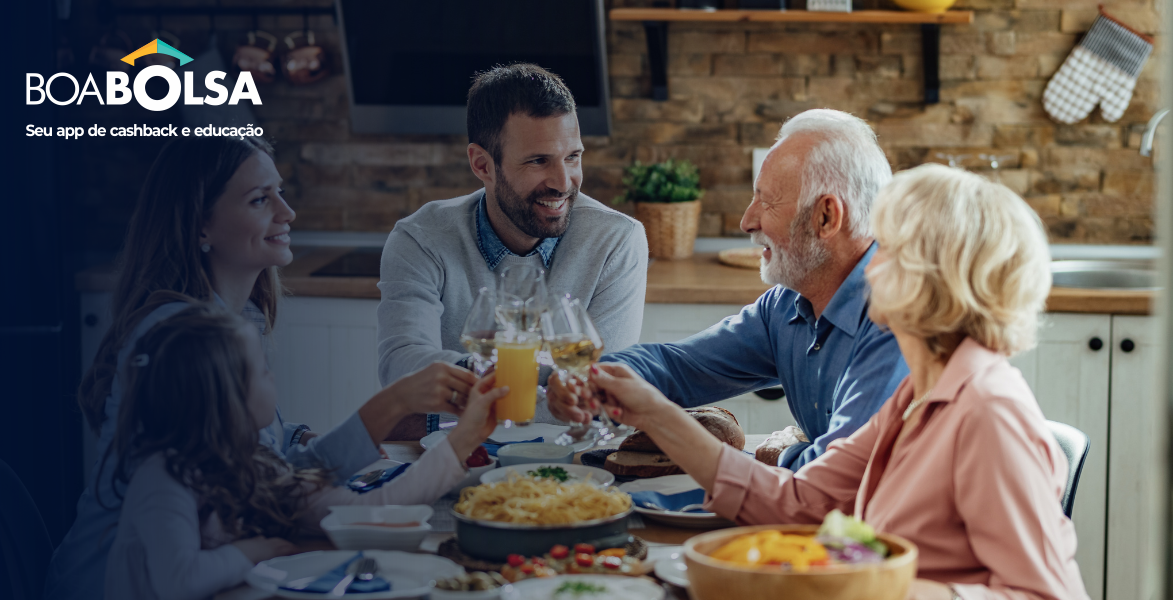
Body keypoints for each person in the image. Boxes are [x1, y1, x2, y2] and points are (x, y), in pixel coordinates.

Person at [590, 164, 1089, 600]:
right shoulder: (916, 396)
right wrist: (653, 412)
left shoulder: (988, 411)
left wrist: (881, 588)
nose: (871, 261)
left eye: (889, 246)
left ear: (935, 275)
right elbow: (802, 504)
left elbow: (1045, 594)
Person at [47, 137, 481, 600]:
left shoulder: (230, 322)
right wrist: (397, 404)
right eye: (260, 199)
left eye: (280, 192)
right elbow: (278, 497)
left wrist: (299, 437)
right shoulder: (186, 342)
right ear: (200, 227)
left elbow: (270, 479)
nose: (287, 213)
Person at [549, 109, 908, 470]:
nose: (747, 221)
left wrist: (783, 451)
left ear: (827, 217)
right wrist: (592, 380)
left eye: (766, 202)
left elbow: (842, 477)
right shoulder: (787, 306)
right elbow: (680, 366)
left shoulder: (899, 318)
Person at [104, 304, 504, 599]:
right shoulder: (162, 477)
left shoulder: (258, 464)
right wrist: (252, 552)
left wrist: (462, 440)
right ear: (226, 398)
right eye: (261, 369)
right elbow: (177, 583)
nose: (272, 375)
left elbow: (371, 509)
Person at [377, 63, 648, 437]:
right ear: (482, 165)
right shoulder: (421, 239)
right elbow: (401, 368)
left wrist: (437, 412)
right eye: (538, 161)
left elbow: (599, 398)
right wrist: (547, 378)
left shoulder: (617, 240)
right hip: (454, 462)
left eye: (572, 156)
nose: (563, 182)